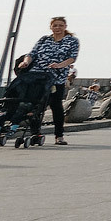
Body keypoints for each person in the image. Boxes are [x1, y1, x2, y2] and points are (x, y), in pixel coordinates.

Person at [27, 16, 81, 145]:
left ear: (65, 27)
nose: (58, 28)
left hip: (57, 78)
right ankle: (35, 133)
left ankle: (59, 136)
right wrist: (25, 62)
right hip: (38, 76)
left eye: (60, 25)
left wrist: (60, 65)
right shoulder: (44, 39)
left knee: (56, 106)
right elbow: (32, 53)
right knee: (34, 106)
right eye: (55, 25)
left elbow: (72, 58)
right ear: (51, 27)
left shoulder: (72, 41)